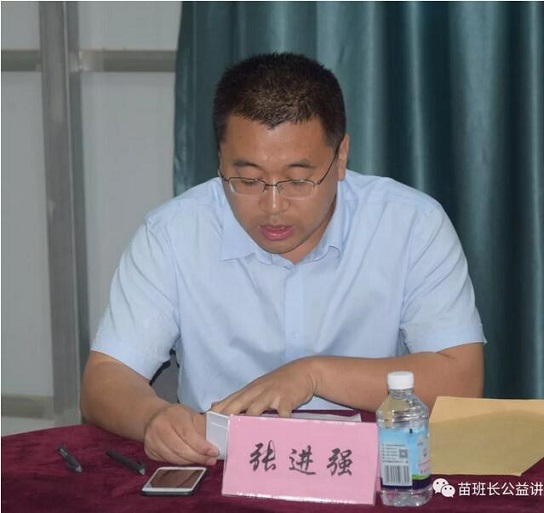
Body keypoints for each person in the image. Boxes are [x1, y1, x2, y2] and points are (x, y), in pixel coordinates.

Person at [80, 52, 484, 466]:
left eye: (298, 180)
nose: (273, 206)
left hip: (371, 468)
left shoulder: (411, 224)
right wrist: (154, 417)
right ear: (220, 159)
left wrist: (313, 375)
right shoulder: (173, 234)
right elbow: (105, 377)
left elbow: (461, 380)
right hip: (221, 467)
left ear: (341, 157)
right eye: (248, 179)